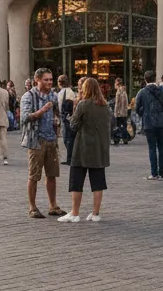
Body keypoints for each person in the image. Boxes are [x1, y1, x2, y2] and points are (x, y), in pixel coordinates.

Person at [61, 77, 111, 223]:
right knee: (98, 182)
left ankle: (75, 213)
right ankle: (95, 213)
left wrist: (71, 118)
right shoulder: (105, 106)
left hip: (83, 147)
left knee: (76, 181)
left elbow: (74, 124)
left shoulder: (83, 104)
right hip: (100, 149)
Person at [20, 69, 65, 218]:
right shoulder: (28, 96)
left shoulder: (53, 95)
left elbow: (58, 113)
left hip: (51, 139)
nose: (50, 82)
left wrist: (57, 120)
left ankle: (53, 206)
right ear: (37, 80)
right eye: (46, 80)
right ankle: (32, 207)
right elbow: (25, 118)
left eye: (51, 80)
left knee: (52, 174)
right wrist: (42, 110)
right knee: (34, 175)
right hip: (36, 140)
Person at [134, 71, 163, 181]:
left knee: (152, 148)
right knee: (161, 147)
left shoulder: (142, 92)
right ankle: (162, 173)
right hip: (161, 122)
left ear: (145, 79)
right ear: (155, 78)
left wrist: (144, 114)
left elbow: (137, 107)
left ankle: (154, 173)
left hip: (149, 123)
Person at [57, 75, 77, 165]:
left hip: (66, 118)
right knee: (68, 138)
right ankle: (71, 157)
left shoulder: (65, 92)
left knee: (67, 138)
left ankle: (70, 157)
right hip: (67, 117)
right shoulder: (70, 92)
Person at [111, 77, 130, 145]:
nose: (114, 85)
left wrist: (116, 112)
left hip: (119, 112)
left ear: (117, 83)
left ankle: (116, 139)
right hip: (124, 112)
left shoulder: (119, 91)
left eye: (115, 83)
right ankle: (125, 139)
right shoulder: (124, 91)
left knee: (117, 126)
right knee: (123, 126)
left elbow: (117, 103)